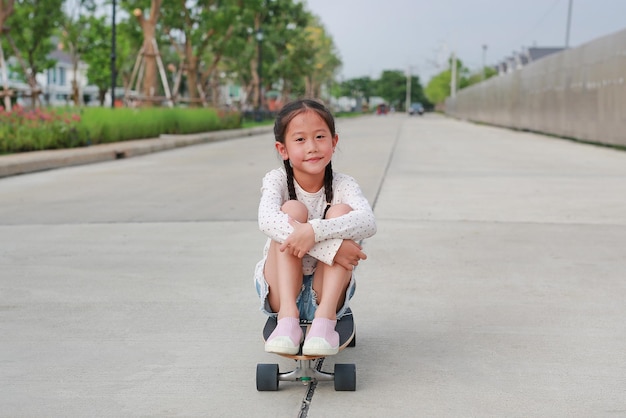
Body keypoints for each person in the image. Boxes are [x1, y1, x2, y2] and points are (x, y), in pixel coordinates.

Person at [254, 99, 377, 356]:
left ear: (334, 141)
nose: (312, 147)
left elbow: (368, 222)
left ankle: (324, 322)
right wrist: (333, 249)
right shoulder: (277, 180)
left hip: (327, 295)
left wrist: (315, 232)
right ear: (283, 148)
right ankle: (288, 320)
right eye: (300, 140)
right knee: (292, 211)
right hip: (281, 292)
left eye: (320, 137)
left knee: (341, 212)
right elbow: (266, 220)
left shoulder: (344, 184)